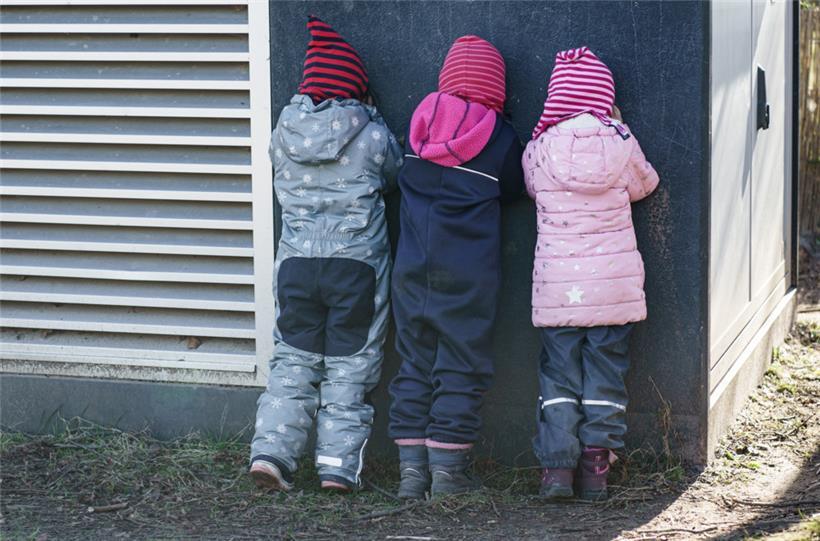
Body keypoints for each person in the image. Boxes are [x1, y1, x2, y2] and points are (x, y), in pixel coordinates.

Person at [249, 15, 402, 493]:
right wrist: (372, 116)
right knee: (349, 369)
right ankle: (336, 465)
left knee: (292, 362)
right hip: (354, 268)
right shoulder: (371, 135)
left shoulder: (282, 132)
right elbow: (395, 174)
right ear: (355, 89)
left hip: (296, 266)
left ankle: (272, 453)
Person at [388, 35, 525, 499]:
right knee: (460, 366)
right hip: (467, 277)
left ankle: (410, 476)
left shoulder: (418, 128)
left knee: (413, 363)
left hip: (410, 272)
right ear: (496, 88)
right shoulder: (501, 139)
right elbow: (512, 189)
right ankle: (448, 475)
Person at [523, 46, 659, 501]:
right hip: (613, 286)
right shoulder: (621, 140)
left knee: (559, 376)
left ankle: (557, 472)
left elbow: (530, 187)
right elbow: (646, 184)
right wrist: (617, 126)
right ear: (605, 97)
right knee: (605, 373)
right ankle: (596, 470)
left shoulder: (539, 149)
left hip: (560, 292)